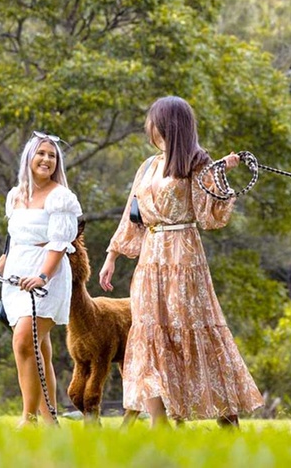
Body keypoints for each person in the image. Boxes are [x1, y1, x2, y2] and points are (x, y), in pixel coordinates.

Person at [98, 96, 264, 428]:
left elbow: (210, 217)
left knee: (193, 329)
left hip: (183, 255)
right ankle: (159, 422)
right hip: (150, 257)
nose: (150, 125)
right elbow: (132, 214)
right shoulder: (147, 166)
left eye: (154, 119)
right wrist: (112, 255)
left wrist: (219, 174)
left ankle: (226, 414)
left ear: (169, 124)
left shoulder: (196, 163)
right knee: (148, 334)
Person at [0, 130, 83, 427]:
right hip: (16, 277)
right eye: (41, 153)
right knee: (37, 346)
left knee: (23, 341)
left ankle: (27, 417)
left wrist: (43, 275)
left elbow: (59, 243)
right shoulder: (15, 195)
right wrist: (5, 259)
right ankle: (49, 421)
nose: (46, 159)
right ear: (29, 158)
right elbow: (16, 235)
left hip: (47, 277)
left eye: (52, 156)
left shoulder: (61, 197)